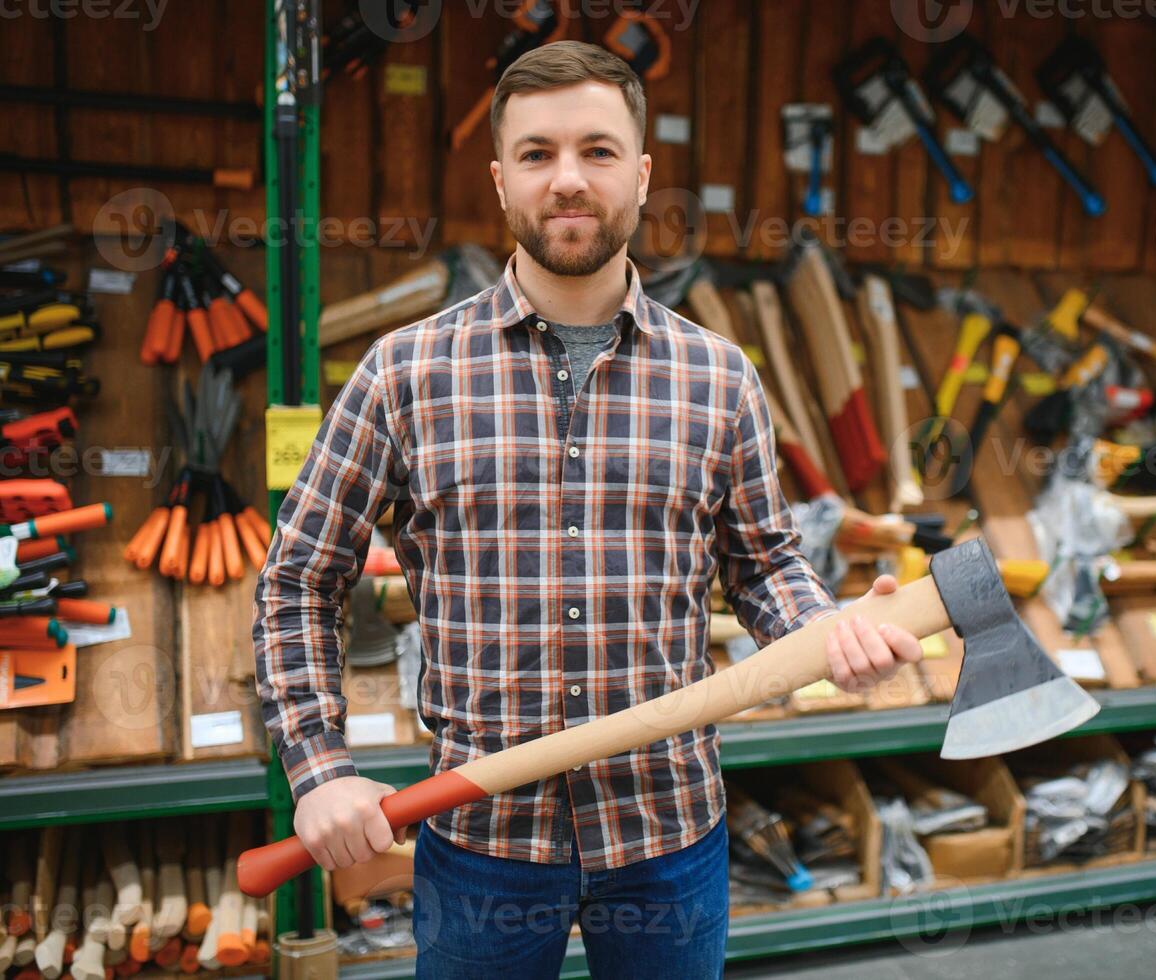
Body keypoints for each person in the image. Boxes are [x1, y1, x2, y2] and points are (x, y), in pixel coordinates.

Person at [253, 39, 924, 979]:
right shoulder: (404, 374)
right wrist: (319, 771)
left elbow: (764, 562)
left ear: (643, 175)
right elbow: (298, 581)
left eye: (598, 151)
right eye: (537, 154)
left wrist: (826, 631)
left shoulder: (718, 377)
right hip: (482, 837)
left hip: (667, 835)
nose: (568, 180)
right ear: (499, 180)